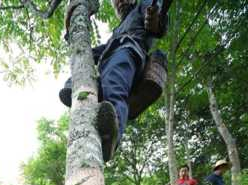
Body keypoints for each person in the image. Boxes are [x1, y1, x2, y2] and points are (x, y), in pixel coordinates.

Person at [61, 0, 169, 162]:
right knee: (79, 82)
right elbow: (95, 51)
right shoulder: (117, 30)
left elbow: (156, 21)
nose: (119, 3)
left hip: (127, 51)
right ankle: (76, 91)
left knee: (114, 88)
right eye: (115, 3)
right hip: (107, 64)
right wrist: (74, 38)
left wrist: (155, 20)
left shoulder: (142, 5)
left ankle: (112, 137)